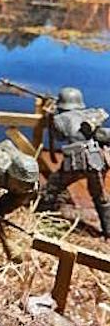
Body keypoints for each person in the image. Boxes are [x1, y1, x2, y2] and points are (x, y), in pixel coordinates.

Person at [39, 87, 110, 238]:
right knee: (100, 196)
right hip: (96, 158)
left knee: (52, 186)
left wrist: (50, 118)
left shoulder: (60, 119)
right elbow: (100, 135)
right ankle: (108, 230)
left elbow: (59, 137)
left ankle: (41, 216)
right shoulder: (89, 115)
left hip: (76, 160)